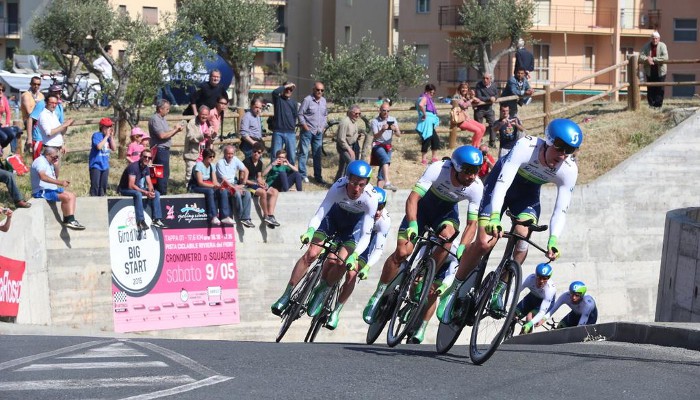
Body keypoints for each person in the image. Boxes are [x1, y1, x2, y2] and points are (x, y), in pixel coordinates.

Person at [438, 119, 583, 324]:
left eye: (569, 150)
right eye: (559, 148)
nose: (562, 155)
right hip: (499, 188)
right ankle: (453, 289)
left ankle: (501, 286)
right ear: (548, 142)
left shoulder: (568, 168)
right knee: (484, 242)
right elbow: (502, 183)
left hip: (526, 198)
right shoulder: (526, 146)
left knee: (522, 236)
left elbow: (561, 208)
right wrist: (495, 216)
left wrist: (553, 239)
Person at [363, 146, 485, 324]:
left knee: (448, 238)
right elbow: (413, 198)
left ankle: (427, 274)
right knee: (402, 253)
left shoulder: (476, 186)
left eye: (476, 171)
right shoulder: (438, 169)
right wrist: (412, 224)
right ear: (456, 167)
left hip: (445, 214)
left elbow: (472, 224)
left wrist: (464, 247)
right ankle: (379, 293)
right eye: (468, 171)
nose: (472, 176)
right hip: (421, 211)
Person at [271, 160, 379, 317]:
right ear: (348, 178)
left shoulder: (371, 198)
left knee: (342, 263)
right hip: (333, 219)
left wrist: (355, 255)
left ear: (367, 183)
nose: (356, 189)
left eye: (361, 184)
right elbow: (321, 212)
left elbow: (366, 234)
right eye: (354, 183)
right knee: (312, 253)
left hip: (353, 228)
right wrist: (310, 231)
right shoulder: (338, 187)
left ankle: (323, 290)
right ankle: (287, 293)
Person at [326, 187, 390, 330]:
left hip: (364, 247)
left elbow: (378, 249)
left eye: (381, 207)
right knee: (331, 258)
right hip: (349, 235)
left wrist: (367, 267)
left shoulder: (383, 221)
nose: (377, 212)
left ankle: (336, 311)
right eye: (376, 207)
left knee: (352, 273)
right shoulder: (362, 207)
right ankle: (323, 286)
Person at [30, 147, 84, 230]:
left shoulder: (49, 162)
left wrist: (56, 165)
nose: (56, 158)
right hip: (41, 190)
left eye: (57, 157)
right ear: (47, 155)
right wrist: (61, 183)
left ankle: (70, 220)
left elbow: (55, 176)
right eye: (54, 157)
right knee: (65, 197)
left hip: (51, 189)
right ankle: (68, 220)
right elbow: (43, 177)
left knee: (72, 196)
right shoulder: (40, 161)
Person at [117, 148, 167, 231]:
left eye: (149, 158)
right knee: (138, 194)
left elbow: (149, 183)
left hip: (136, 188)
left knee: (157, 193)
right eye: (145, 157)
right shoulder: (133, 167)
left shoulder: (146, 168)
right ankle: (140, 220)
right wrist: (145, 192)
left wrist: (151, 192)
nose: (147, 159)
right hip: (124, 189)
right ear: (140, 157)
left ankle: (156, 219)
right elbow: (131, 185)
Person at [188, 148, 232, 226]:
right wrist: (213, 186)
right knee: (210, 191)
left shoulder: (212, 165)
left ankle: (225, 216)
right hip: (196, 186)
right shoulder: (199, 165)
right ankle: (213, 216)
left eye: (213, 156)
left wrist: (219, 186)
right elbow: (200, 182)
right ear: (205, 157)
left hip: (208, 185)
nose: (212, 158)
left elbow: (214, 181)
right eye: (210, 156)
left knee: (223, 191)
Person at [148, 99, 183, 195]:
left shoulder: (162, 119)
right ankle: (160, 194)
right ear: (160, 109)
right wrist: (175, 130)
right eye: (167, 109)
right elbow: (162, 136)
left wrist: (175, 130)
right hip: (159, 150)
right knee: (160, 175)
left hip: (164, 150)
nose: (168, 111)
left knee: (163, 174)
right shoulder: (155, 119)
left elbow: (167, 134)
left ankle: (158, 193)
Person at [216, 144, 255, 228]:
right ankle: (241, 216)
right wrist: (235, 187)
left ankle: (246, 218)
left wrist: (243, 183)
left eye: (232, 153)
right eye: (228, 154)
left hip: (234, 183)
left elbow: (245, 170)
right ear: (224, 154)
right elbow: (224, 180)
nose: (230, 156)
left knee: (247, 193)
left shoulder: (235, 159)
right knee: (237, 193)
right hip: (224, 185)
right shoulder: (220, 163)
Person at [243, 142, 280, 227]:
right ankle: (266, 216)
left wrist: (263, 183)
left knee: (274, 191)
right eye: (255, 151)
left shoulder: (259, 163)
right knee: (263, 193)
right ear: (252, 151)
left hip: (255, 184)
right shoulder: (246, 162)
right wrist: (256, 183)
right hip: (247, 186)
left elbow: (259, 177)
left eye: (259, 152)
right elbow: (242, 180)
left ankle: (271, 216)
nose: (256, 153)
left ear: (261, 154)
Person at [298, 82, 328, 184]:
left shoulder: (324, 101)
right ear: (313, 89)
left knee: (317, 155)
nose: (320, 92)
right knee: (304, 153)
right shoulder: (307, 100)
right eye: (318, 90)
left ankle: (318, 177)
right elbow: (300, 114)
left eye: (322, 90)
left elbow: (325, 115)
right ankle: (302, 175)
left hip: (318, 132)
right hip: (308, 131)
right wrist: (305, 127)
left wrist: (323, 126)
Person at [38, 94, 74, 177]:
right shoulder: (43, 115)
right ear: (46, 103)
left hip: (57, 148)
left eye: (55, 103)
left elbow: (60, 132)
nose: (54, 105)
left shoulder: (53, 114)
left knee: (55, 175)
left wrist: (62, 144)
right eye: (51, 103)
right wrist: (64, 125)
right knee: (50, 175)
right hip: (49, 148)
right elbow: (49, 132)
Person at [516, 263, 557, 334]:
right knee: (513, 315)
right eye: (539, 277)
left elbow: (542, 312)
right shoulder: (529, 279)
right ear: (536, 275)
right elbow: (515, 292)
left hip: (543, 303)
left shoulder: (550, 289)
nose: (541, 281)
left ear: (549, 278)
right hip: (532, 297)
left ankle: (526, 337)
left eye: (544, 278)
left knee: (529, 317)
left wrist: (531, 323)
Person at [370, 101, 401, 192]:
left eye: (388, 111)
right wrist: (383, 130)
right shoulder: (375, 121)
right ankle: (387, 183)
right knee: (385, 160)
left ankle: (379, 193)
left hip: (388, 146)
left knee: (382, 172)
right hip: (378, 145)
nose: (386, 113)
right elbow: (375, 136)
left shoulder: (393, 119)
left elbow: (399, 134)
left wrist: (395, 130)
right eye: (384, 110)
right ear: (380, 110)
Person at [29, 85, 65, 159]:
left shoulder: (59, 106)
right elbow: (31, 119)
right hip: (40, 138)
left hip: (52, 140)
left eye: (59, 92)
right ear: (50, 93)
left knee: (53, 165)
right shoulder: (42, 104)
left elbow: (61, 126)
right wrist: (29, 137)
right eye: (55, 93)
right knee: (39, 163)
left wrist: (62, 142)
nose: (58, 95)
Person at [270, 82, 298, 165]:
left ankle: (290, 174)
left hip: (290, 132)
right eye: (287, 89)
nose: (288, 91)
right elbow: (274, 92)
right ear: (283, 88)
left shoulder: (294, 103)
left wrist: (292, 126)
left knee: (292, 156)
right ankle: (275, 175)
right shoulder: (278, 99)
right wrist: (286, 86)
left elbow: (295, 115)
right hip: (278, 132)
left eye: (291, 89)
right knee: (275, 155)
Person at [183, 105, 213, 182]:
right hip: (193, 154)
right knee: (190, 175)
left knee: (202, 176)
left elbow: (211, 138)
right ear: (198, 114)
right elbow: (190, 137)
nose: (204, 117)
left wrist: (212, 137)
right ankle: (188, 190)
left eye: (206, 115)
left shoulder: (209, 124)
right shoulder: (192, 123)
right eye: (202, 114)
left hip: (204, 154)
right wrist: (203, 136)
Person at [452, 82, 486, 147]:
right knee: (478, 130)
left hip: (467, 119)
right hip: (460, 121)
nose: (464, 90)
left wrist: (473, 97)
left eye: (466, 88)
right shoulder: (456, 96)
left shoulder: (466, 97)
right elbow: (464, 105)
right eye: (463, 88)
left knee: (483, 127)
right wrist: (471, 100)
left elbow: (478, 101)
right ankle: (474, 147)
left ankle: (477, 145)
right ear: (459, 88)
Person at [639, 31, 668, 109]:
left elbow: (665, 57)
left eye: (656, 38)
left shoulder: (662, 46)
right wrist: (647, 59)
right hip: (650, 71)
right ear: (651, 39)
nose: (655, 40)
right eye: (653, 39)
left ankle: (658, 105)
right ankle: (651, 105)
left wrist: (653, 59)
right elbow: (640, 56)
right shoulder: (646, 46)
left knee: (660, 88)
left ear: (659, 39)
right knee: (650, 88)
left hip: (660, 71)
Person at [334, 105, 363, 182]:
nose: (357, 115)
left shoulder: (354, 122)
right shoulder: (345, 122)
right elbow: (341, 139)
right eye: (355, 113)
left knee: (342, 167)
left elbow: (351, 134)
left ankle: (336, 184)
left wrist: (357, 136)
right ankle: (347, 183)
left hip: (350, 146)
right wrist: (349, 150)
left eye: (359, 113)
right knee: (351, 164)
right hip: (343, 147)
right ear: (350, 113)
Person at [88, 117, 116, 196]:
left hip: (105, 165)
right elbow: (99, 147)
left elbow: (114, 148)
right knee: (95, 185)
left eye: (110, 127)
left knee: (103, 186)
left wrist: (111, 137)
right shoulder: (96, 135)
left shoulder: (109, 138)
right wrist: (106, 137)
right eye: (107, 127)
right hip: (96, 165)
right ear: (101, 127)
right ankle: (94, 201)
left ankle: (102, 200)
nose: (109, 129)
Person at [416, 84, 440, 165]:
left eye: (433, 93)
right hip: (426, 122)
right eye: (431, 92)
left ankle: (433, 158)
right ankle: (424, 159)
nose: (432, 94)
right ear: (427, 91)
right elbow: (420, 105)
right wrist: (424, 114)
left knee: (435, 139)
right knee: (426, 139)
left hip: (429, 122)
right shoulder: (425, 97)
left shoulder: (422, 97)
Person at [473, 73, 499, 147]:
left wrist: (495, 97)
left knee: (493, 125)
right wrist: (489, 98)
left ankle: (492, 142)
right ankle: (478, 142)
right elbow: (479, 97)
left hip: (489, 109)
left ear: (490, 79)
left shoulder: (494, 85)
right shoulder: (478, 85)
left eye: (487, 78)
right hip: (479, 109)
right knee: (478, 126)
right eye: (483, 78)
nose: (485, 80)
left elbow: (497, 94)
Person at [21, 76, 44, 153]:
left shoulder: (41, 96)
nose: (36, 86)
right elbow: (29, 112)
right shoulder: (26, 95)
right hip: (28, 120)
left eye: (38, 84)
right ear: (30, 84)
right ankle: (28, 149)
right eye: (34, 84)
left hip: (39, 119)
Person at [0, 83, 22, 155]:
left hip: (1, 124)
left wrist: (7, 123)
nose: (1, 91)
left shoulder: (4, 99)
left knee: (12, 134)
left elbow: (8, 112)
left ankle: (2, 148)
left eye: (2, 90)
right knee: (4, 137)